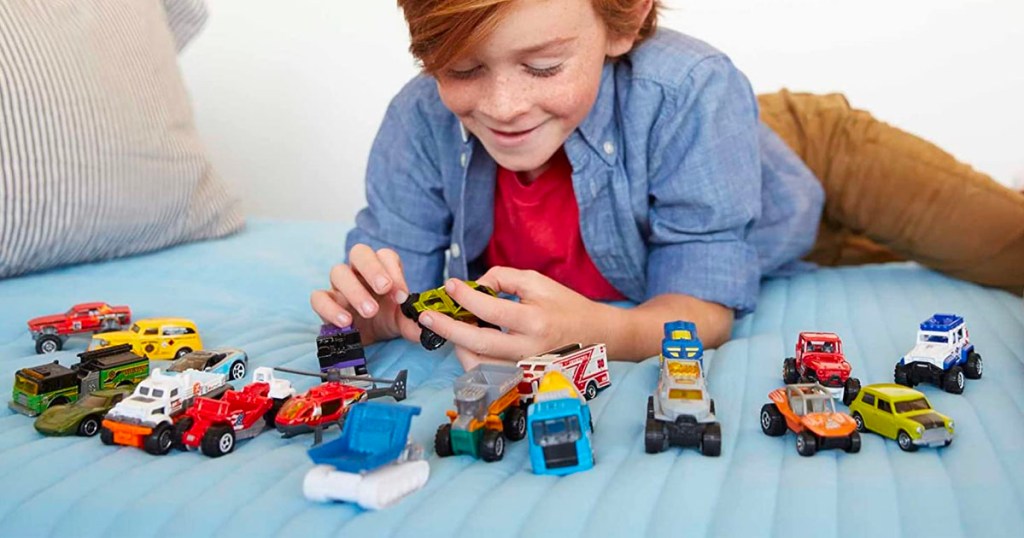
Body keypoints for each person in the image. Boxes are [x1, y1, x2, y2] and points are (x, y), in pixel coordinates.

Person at [311, 0, 1024, 369]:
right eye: (463, 70)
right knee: (894, 259)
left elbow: (706, 306)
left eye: (544, 68)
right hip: (769, 244)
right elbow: (387, 298)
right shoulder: (418, 121)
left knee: (1007, 245)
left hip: (812, 161)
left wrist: (598, 332)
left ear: (625, 24)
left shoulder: (691, 87)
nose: (500, 108)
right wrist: (368, 317)